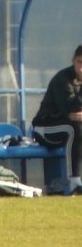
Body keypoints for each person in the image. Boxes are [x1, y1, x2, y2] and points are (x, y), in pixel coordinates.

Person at [31, 45, 82, 194]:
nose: (81, 68)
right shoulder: (63, 79)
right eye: (79, 62)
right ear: (73, 61)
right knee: (74, 128)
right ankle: (73, 182)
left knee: (76, 127)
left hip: (68, 127)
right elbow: (72, 111)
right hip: (44, 129)